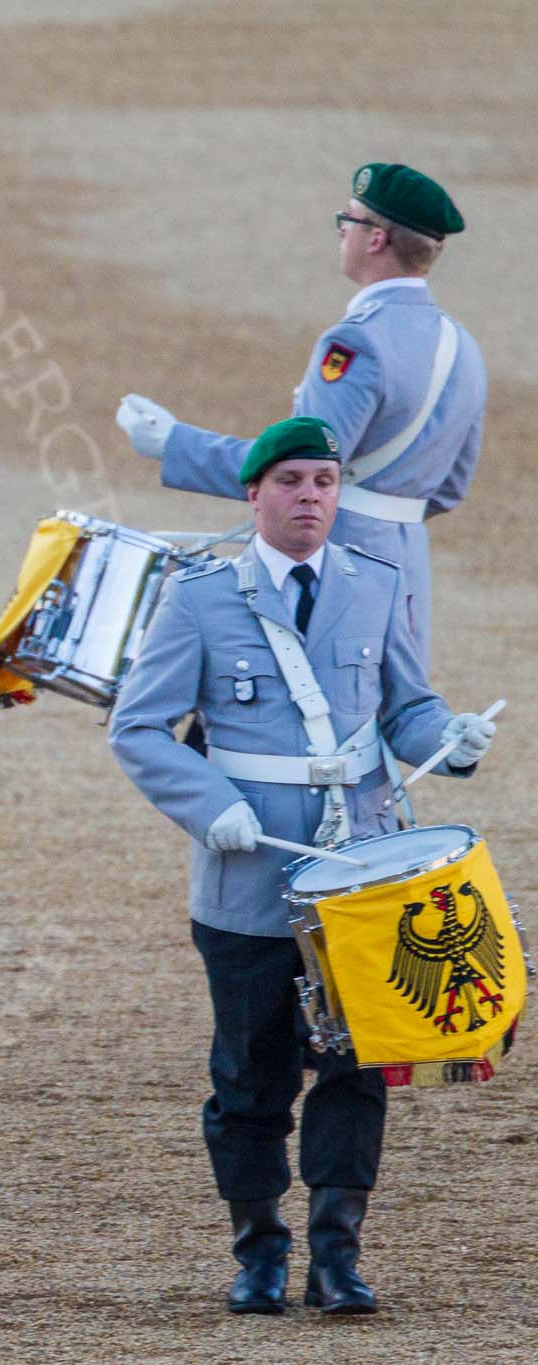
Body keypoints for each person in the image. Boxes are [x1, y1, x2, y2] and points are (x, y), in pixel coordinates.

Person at [109, 416, 496, 1316]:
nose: (310, 498)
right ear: (253, 493)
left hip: (362, 876)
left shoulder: (375, 582)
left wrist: (453, 737)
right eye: (291, 482)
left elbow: (409, 708)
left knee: (356, 1068)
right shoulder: (200, 596)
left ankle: (337, 1256)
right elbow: (138, 726)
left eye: (324, 481)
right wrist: (212, 809)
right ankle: (257, 1252)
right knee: (249, 1075)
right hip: (248, 877)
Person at [117, 163, 484, 663]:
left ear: (375, 239)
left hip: (327, 566)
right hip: (405, 568)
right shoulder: (462, 347)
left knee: (258, 721)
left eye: (348, 220)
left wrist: (173, 443)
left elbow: (298, 469)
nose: (341, 230)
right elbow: (450, 487)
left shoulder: (356, 341)